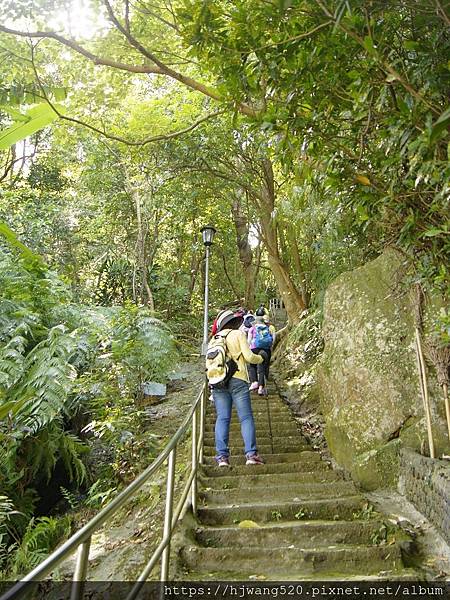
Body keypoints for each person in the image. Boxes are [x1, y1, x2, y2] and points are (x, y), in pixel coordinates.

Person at [211, 309, 265, 467]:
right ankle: (251, 455)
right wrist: (261, 357)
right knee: (245, 417)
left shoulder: (214, 339)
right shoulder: (238, 334)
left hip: (218, 381)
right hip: (238, 379)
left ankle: (222, 457)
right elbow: (249, 357)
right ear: (234, 323)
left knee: (222, 418)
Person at [248, 308, 276, 396]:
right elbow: (273, 339)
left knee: (252, 365)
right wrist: (270, 346)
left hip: (254, 348)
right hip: (266, 350)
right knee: (262, 368)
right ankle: (261, 388)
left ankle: (254, 382)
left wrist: (250, 347)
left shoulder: (252, 329)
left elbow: (249, 340)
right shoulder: (268, 328)